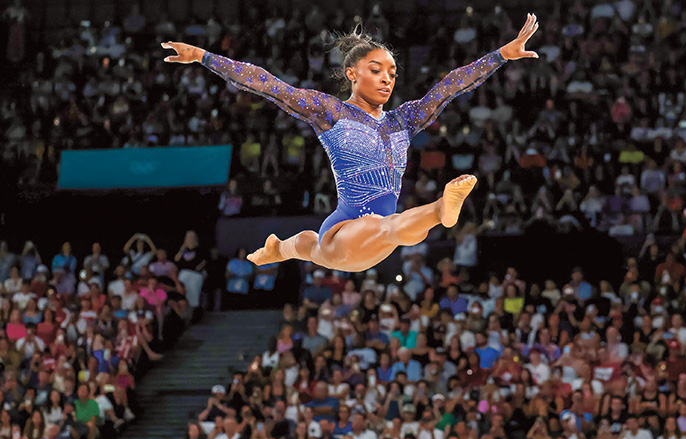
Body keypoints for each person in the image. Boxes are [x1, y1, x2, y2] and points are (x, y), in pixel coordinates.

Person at [161, 14, 541, 272]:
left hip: (374, 237)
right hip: (346, 231)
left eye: (392, 72)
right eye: (376, 70)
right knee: (383, 229)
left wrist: (500, 56)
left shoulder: (402, 121)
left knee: (316, 243)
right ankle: (442, 209)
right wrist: (204, 57)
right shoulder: (331, 112)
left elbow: (448, 88)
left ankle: (279, 248)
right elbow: (268, 85)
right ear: (351, 74)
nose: (387, 79)